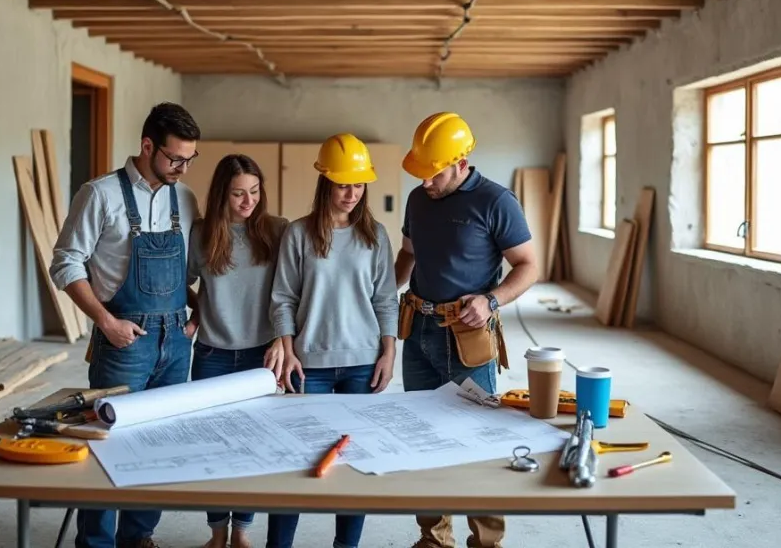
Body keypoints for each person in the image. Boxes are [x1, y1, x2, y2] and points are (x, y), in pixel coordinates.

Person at [50, 102, 202, 548]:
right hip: (123, 340)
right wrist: (105, 321)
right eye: (175, 158)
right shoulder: (100, 194)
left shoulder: (185, 198)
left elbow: (190, 273)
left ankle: (140, 537)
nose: (182, 168)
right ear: (147, 146)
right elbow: (65, 263)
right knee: (107, 443)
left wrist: (196, 316)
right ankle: (96, 543)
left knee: (157, 444)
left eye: (189, 160)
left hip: (176, 340)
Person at [393, 112, 539, 548]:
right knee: (423, 438)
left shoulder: (496, 201)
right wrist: (381, 291)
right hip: (418, 331)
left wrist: (491, 299)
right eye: (420, 173)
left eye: (433, 173)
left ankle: (486, 542)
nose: (424, 183)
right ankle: (434, 539)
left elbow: (529, 266)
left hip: (467, 336)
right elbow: (408, 255)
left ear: (460, 162)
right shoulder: (419, 200)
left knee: (479, 441)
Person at [265, 133, 400, 548]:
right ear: (326, 182)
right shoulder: (299, 234)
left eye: (359, 185)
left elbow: (386, 300)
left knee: (352, 466)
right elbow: (282, 299)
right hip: (309, 367)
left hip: (362, 364)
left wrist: (389, 352)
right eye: (344, 184)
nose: (352, 193)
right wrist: (287, 349)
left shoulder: (374, 235)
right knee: (295, 463)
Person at [186, 154, 288, 548]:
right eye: (238, 194)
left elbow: (291, 291)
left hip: (261, 355)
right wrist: (199, 312)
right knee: (211, 447)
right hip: (211, 353)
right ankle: (216, 533)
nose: (248, 202)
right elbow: (183, 281)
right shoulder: (201, 233)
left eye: (255, 192)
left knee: (254, 447)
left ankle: (242, 531)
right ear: (221, 196)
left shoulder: (277, 230)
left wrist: (283, 338)